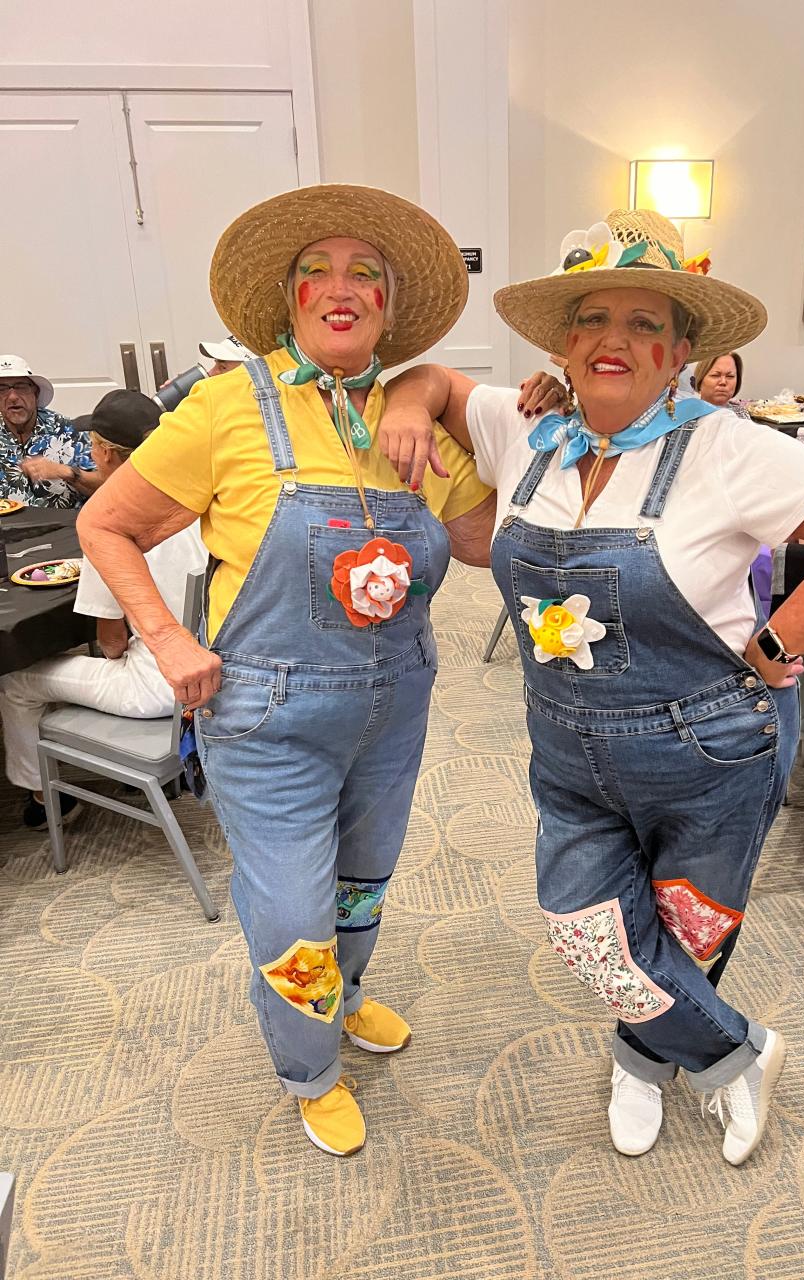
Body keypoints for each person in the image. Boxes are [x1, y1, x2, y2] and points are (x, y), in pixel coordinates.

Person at [378, 207, 804, 1165]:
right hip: (567, 749)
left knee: (685, 930)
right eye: (594, 318)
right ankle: (736, 1054)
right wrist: (408, 403)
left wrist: (776, 637)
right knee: (589, 930)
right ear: (564, 338)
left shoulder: (726, 447)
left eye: (645, 323)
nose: (615, 340)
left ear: (680, 347)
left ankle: (645, 1060)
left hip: (712, 748)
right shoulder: (525, 426)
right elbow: (428, 378)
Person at [76, 183, 509, 1160]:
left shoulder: (406, 421)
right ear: (290, 295)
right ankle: (310, 1066)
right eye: (321, 270)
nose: (343, 288)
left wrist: (433, 392)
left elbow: (478, 542)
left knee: (361, 884)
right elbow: (104, 522)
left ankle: (344, 1002)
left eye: (368, 274)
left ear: (390, 308)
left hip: (395, 703)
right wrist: (166, 638)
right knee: (294, 910)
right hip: (268, 716)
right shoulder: (230, 407)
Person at [0, 389, 206, 829]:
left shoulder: (106, 524)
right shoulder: (193, 500)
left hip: (155, 690)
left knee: (18, 679)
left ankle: (42, 796)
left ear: (106, 453)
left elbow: (111, 644)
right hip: (206, 673)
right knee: (71, 667)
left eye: (92, 444)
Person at [0, 355, 98, 507]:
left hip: (63, 526)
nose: (13, 397)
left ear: (36, 393)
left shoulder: (66, 430)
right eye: (2, 389)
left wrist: (66, 472)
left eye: (21, 387)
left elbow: (107, 487)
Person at [694, 351, 751, 418]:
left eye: (730, 376)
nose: (723, 382)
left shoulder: (741, 414)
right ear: (700, 379)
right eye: (715, 375)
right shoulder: (686, 414)